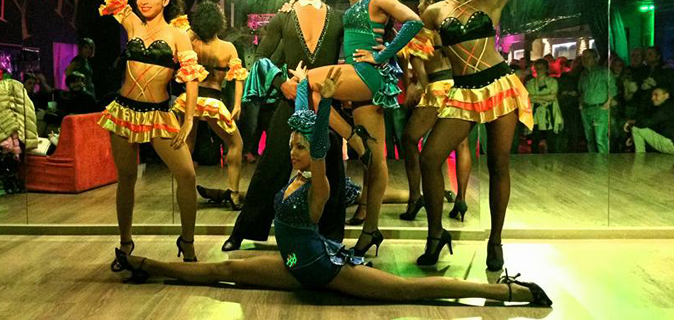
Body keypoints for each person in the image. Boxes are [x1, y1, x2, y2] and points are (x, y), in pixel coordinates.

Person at [113, 69, 553, 308]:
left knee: (409, 291)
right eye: (292, 146)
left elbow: (320, 147)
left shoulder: (318, 185)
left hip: (326, 269)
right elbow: (304, 144)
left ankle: (506, 292)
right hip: (292, 267)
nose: (294, 152)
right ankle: (147, 264)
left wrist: (323, 104)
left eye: (301, 148)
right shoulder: (293, 177)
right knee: (221, 271)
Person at [406, 0, 563, 271]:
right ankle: (436, 234)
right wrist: (412, 76)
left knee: (498, 164)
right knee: (430, 157)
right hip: (462, 92)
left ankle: (495, 242)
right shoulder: (434, 12)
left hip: (499, 86)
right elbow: (417, 47)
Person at [69, 0, 203, 263]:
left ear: (166, 0)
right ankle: (125, 244)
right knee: (126, 178)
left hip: (159, 114)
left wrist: (188, 120)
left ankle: (187, 242)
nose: (143, 0)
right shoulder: (131, 23)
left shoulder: (178, 34)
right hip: (124, 111)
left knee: (187, 175)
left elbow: (190, 79)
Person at [221, 0, 348, 252]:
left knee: (333, 170)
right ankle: (242, 231)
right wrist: (283, 84)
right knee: (271, 166)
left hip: (325, 105)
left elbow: (348, 61)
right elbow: (261, 58)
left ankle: (331, 238)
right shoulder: (283, 16)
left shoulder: (339, 18)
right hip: (290, 103)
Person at [304, 0, 424, 257]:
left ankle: (351, 139)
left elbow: (414, 21)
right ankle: (371, 230)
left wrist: (382, 54)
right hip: (359, 75)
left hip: (366, 73)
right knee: (375, 158)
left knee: (307, 83)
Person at [396, 0, 471, 223]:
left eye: (421, 0)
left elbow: (416, 61)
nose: (418, 5)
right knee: (461, 145)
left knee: (409, 139)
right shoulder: (454, 25)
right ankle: (461, 199)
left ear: (430, 2)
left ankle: (415, 196)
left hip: (437, 85)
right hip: (459, 87)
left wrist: (421, 86)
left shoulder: (424, 26)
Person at [171, 1, 247, 210]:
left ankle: (185, 190)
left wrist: (193, 30)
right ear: (219, 23)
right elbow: (239, 77)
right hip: (213, 101)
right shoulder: (227, 47)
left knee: (187, 146)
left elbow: (179, 31)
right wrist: (237, 104)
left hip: (190, 100)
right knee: (236, 144)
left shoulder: (190, 43)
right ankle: (233, 192)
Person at [578, 49, 616, 154]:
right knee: (589, 139)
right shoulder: (583, 74)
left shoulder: (604, 71)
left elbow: (612, 88)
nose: (585, 60)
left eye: (588, 57)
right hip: (586, 109)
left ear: (596, 58)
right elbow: (580, 91)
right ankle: (593, 161)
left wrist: (607, 103)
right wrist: (581, 103)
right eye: (583, 58)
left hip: (600, 108)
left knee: (600, 138)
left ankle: (603, 161)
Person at [526, 58, 562, 153]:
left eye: (541, 68)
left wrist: (536, 97)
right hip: (536, 116)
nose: (539, 70)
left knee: (551, 141)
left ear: (546, 69)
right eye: (537, 68)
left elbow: (553, 96)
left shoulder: (553, 82)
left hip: (550, 115)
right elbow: (529, 98)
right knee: (535, 141)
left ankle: (552, 159)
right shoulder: (530, 82)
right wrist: (545, 97)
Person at [625, 86, 674, 154]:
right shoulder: (668, 106)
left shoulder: (667, 108)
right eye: (652, 95)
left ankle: (639, 157)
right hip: (669, 143)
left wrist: (629, 122)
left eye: (656, 95)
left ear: (666, 95)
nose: (652, 98)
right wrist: (632, 137)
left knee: (636, 128)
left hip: (671, 145)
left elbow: (645, 123)